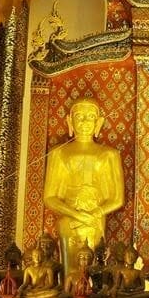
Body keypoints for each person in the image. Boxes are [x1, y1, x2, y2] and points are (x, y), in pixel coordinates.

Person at [44, 97, 125, 276]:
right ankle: (68, 297)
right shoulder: (58, 153)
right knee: (70, 269)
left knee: (92, 268)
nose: (85, 122)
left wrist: (94, 214)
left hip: (95, 219)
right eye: (79, 116)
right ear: (69, 121)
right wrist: (76, 214)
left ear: (99, 122)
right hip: (69, 218)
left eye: (90, 117)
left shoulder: (109, 154)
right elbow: (49, 197)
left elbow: (117, 199)